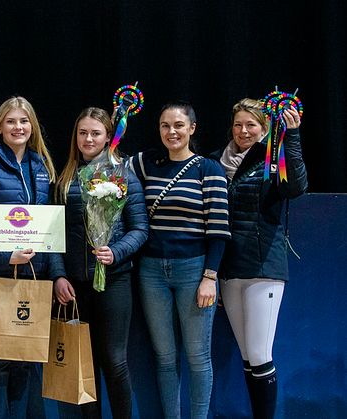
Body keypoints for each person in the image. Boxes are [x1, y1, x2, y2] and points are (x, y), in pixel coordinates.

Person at [0, 96, 67, 419]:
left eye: (23, 121)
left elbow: (49, 225)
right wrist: (5, 256)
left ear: (32, 126)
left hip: (35, 279)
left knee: (26, 361)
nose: (18, 127)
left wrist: (54, 271)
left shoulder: (41, 165)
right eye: (11, 121)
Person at [129, 101, 230, 419]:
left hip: (193, 271)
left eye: (178, 125)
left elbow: (219, 228)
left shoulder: (208, 168)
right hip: (151, 271)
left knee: (198, 356)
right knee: (165, 357)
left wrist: (209, 276)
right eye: (165, 126)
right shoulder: (147, 163)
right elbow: (109, 168)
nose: (171, 132)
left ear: (192, 128)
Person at [211, 98, 306, 418]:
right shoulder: (215, 163)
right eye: (238, 124)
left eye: (251, 125)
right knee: (248, 356)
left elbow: (296, 187)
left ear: (264, 128)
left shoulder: (272, 159)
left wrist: (291, 137)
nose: (243, 131)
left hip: (263, 266)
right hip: (229, 269)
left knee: (259, 352)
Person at [53, 107, 148, 418]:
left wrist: (116, 252)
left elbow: (140, 229)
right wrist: (58, 275)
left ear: (109, 136)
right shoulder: (65, 178)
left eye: (95, 133)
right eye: (83, 133)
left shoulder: (124, 177)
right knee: (85, 363)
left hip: (114, 280)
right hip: (76, 284)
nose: (88, 138)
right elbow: (54, 233)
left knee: (114, 360)